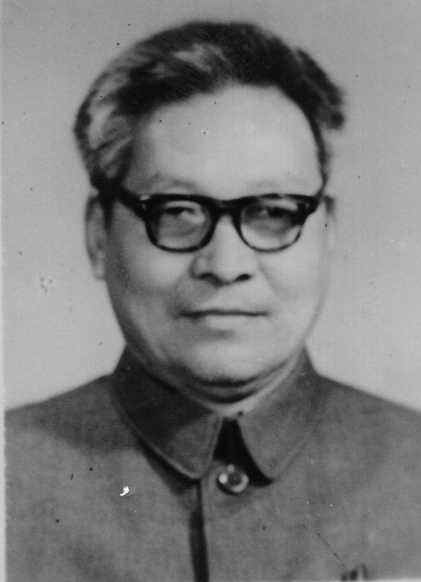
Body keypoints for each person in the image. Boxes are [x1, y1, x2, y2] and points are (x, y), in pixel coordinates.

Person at [6, 20, 421, 581]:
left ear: (327, 232)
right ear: (99, 236)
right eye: (176, 211)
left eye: (273, 212)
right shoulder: (13, 473)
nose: (226, 266)